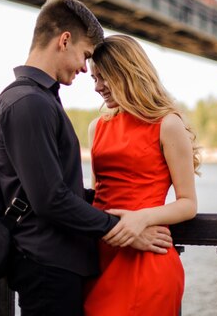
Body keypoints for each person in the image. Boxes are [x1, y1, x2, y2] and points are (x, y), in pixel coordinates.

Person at [0, 0, 172, 316]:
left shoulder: (40, 99)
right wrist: (124, 230)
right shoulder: (28, 103)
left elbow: (61, 189)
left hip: (57, 261)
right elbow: (50, 198)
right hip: (46, 264)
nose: (85, 68)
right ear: (65, 40)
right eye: (85, 55)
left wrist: (130, 210)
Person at [85, 34, 200, 316]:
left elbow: (188, 203)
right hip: (101, 257)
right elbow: (98, 196)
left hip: (148, 259)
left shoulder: (168, 125)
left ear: (127, 72)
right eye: (93, 79)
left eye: (103, 77)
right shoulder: (95, 128)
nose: (98, 87)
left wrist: (142, 218)